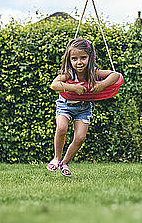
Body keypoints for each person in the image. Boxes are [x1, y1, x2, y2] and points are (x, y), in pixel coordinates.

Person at [47, 38, 121, 177]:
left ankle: (64, 163)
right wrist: (73, 87)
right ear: (69, 59)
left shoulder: (93, 72)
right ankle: (57, 158)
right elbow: (54, 85)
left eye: (83, 58)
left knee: (80, 137)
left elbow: (116, 75)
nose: (79, 62)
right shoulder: (68, 72)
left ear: (90, 57)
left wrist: (101, 85)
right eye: (74, 58)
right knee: (62, 128)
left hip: (83, 108)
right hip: (65, 106)